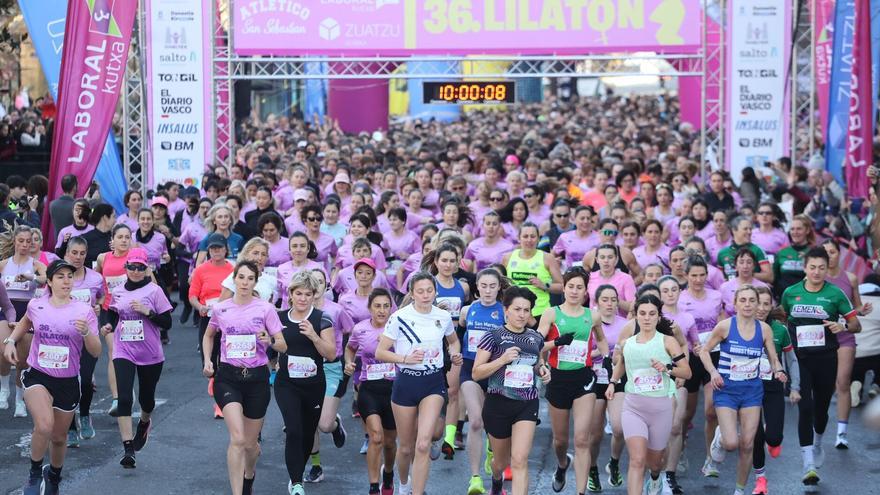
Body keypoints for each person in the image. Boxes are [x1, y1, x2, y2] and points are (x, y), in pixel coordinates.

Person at [2, 260, 100, 495]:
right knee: (44, 425)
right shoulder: (37, 305)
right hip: (39, 375)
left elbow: (96, 351)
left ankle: (54, 476)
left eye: (70, 276)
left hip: (67, 380)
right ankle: (34, 476)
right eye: (60, 277)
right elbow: (25, 322)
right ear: (49, 281)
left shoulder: (83, 311)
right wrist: (11, 341)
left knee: (58, 437)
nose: (66, 281)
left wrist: (87, 332)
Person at [202, 261, 287, 495]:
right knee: (238, 439)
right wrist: (208, 361)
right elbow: (209, 335)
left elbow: (282, 344)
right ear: (234, 280)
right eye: (241, 277)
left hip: (257, 379)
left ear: (255, 282)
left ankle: (249, 475)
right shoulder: (221, 309)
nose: (245, 282)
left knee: (250, 445)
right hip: (228, 377)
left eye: (250, 278)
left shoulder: (265, 309)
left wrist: (269, 340)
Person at [375, 272, 463, 495]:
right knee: (405, 447)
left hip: (433, 382)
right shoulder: (399, 317)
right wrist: (405, 358)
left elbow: (453, 341)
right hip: (406, 383)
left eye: (429, 291)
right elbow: (381, 352)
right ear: (412, 293)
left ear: (435, 292)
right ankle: (404, 485)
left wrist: (454, 354)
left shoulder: (443, 316)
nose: (425, 295)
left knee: (423, 444)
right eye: (420, 291)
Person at [781, 247, 861, 485]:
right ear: (805, 268)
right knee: (805, 407)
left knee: (821, 410)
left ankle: (817, 442)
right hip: (800, 359)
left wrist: (843, 327)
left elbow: (856, 325)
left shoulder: (835, 294)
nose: (816, 272)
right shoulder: (790, 293)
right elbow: (782, 318)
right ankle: (808, 464)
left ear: (828, 269)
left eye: (821, 268)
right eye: (812, 267)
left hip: (826, 359)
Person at [699, 285, 788, 495]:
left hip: (752, 391)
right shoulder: (725, 326)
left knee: (748, 444)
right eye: (743, 300)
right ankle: (721, 438)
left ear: (757, 304)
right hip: (727, 390)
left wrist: (778, 370)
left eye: (752, 300)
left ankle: (739, 490)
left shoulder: (764, 329)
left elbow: (773, 357)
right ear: (735, 304)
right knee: (732, 443)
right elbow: (704, 351)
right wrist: (713, 372)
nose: (748, 304)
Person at [606, 295, 690, 495]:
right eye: (642, 313)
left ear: (658, 317)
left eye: (652, 314)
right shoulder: (628, 343)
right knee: (637, 460)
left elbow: (687, 372)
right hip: (633, 407)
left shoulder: (668, 341)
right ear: (636, 315)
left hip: (661, 408)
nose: (646, 318)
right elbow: (622, 364)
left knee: (655, 462)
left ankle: (655, 477)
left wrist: (667, 368)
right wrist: (612, 382)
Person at [473, 286, 551, 495]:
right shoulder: (493, 336)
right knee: (500, 462)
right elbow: (476, 373)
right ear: (506, 310)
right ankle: (496, 481)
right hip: (498, 404)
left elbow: (537, 363)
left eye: (526, 310)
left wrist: (543, 370)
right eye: (517, 309)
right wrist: (502, 360)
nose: (522, 314)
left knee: (519, 459)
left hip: (527, 403)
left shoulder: (535, 338)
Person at [99, 247, 173, 468]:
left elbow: (167, 323)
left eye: (140, 267)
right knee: (124, 398)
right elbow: (113, 313)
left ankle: (144, 422)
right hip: (124, 350)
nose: (135, 271)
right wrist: (108, 325)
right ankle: (128, 448)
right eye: (132, 267)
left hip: (150, 354)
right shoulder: (118, 290)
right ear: (126, 267)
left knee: (146, 400)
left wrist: (147, 312)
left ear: (146, 268)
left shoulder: (154, 291)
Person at [538, 268, 608, 495]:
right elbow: (536, 343)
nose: (575, 291)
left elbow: (601, 341)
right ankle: (562, 465)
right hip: (558, 380)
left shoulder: (593, 316)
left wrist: (604, 357)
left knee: (581, 440)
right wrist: (556, 343)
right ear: (564, 288)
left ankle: (580, 491)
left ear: (586, 291)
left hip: (584, 380)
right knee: (560, 441)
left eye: (579, 287)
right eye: (571, 286)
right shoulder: (551, 313)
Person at [274, 271, 336, 495]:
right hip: (286, 384)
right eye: (298, 293)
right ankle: (297, 482)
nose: (302, 298)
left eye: (307, 294)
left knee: (308, 433)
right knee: (293, 430)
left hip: (313, 385)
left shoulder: (322, 318)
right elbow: (272, 345)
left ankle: (298, 473)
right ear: (290, 294)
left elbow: (331, 354)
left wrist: (314, 336)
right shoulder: (279, 318)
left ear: (314, 296)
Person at [345, 288, 398, 495]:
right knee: (376, 436)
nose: (382, 310)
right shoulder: (360, 329)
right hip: (368, 389)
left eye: (386, 306)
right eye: (377, 306)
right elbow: (350, 348)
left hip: (394, 390)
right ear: (369, 308)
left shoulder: (398, 328)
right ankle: (374, 486)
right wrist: (349, 363)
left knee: (390, 442)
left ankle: (389, 474)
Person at [458, 268, 506, 495]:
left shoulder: (505, 312)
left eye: (492, 286)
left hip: (496, 372)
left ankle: (491, 449)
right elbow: (459, 336)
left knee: (494, 424)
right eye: (483, 286)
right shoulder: (467, 311)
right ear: (477, 287)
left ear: (499, 287)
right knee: (476, 421)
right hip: (470, 370)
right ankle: (475, 478)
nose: (487, 291)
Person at [677, 256, 726, 478]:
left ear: (707, 275)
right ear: (686, 275)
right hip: (689, 358)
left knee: (710, 410)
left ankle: (710, 459)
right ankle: (680, 448)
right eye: (694, 275)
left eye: (702, 275)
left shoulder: (716, 296)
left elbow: (722, 323)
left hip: (712, 355)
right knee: (686, 414)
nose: (698, 279)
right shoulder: (680, 298)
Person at [822, 239, 873, 448]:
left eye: (832, 252)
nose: (829, 256)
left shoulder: (850, 278)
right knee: (822, 385)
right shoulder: (815, 278)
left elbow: (856, 307)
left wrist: (862, 310)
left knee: (843, 383)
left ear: (839, 254)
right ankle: (817, 429)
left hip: (844, 336)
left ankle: (841, 433)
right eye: (825, 252)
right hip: (821, 338)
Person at [751, 286, 801, 495]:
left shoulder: (780, 330)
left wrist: (795, 387)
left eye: (766, 304)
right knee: (755, 437)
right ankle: (760, 480)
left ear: (771, 306)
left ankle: (773, 440)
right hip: (748, 389)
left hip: (772, 388)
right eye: (758, 303)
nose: (762, 308)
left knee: (773, 437)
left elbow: (791, 359)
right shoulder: (740, 327)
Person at [61, 236, 106, 447]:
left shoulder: (95, 278)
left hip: (88, 336)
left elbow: (102, 297)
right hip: (65, 337)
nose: (78, 257)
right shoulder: (60, 278)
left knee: (86, 381)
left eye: (82, 253)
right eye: (74, 253)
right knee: (69, 382)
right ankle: (70, 427)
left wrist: (98, 305)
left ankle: (85, 414)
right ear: (67, 253)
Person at [1, 224, 48, 417]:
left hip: (27, 310)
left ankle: (20, 400)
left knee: (23, 358)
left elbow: (48, 277)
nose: (25, 245)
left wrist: (33, 277)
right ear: (14, 241)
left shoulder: (35, 264)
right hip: (6, 308)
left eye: (29, 241)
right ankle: (4, 389)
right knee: (3, 349)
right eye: (21, 241)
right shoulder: (4, 264)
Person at [586, 284, 629, 491]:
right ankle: (592, 470)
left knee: (619, 428)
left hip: (617, 378)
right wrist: (601, 353)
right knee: (595, 434)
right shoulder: (588, 323)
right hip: (594, 379)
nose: (610, 304)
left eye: (613, 299)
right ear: (596, 302)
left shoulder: (626, 325)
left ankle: (614, 463)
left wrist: (618, 356)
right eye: (605, 299)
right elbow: (579, 352)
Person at [502, 223, 563, 323]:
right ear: (519, 238)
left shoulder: (548, 258)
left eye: (533, 236)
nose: (529, 240)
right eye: (525, 236)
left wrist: (544, 285)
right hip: (513, 313)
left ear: (538, 239)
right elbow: (501, 284)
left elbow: (561, 286)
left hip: (539, 313)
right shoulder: (507, 258)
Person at [716, 215, 773, 283]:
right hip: (731, 289)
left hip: (752, 288)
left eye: (750, 229)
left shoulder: (757, 250)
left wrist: (746, 274)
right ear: (734, 230)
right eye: (745, 229)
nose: (749, 232)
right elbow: (719, 279)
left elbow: (769, 277)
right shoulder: (722, 253)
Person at [587, 244, 637, 315]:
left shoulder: (626, 278)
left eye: (610, 257)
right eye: (602, 257)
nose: (606, 261)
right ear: (597, 260)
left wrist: (613, 299)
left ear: (616, 259)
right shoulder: (590, 277)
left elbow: (633, 307)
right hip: (594, 319)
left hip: (619, 320)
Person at [772, 214, 815, 298]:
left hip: (806, 298)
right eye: (792, 229)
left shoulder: (814, 252)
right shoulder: (782, 252)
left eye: (799, 229)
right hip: (783, 298)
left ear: (807, 230)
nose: (795, 232)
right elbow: (774, 277)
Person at [551, 206, 600, 270]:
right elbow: (553, 254)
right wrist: (555, 261)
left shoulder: (599, 237)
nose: (585, 221)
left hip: (591, 273)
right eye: (582, 218)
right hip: (570, 273)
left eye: (588, 218)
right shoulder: (565, 237)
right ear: (574, 219)